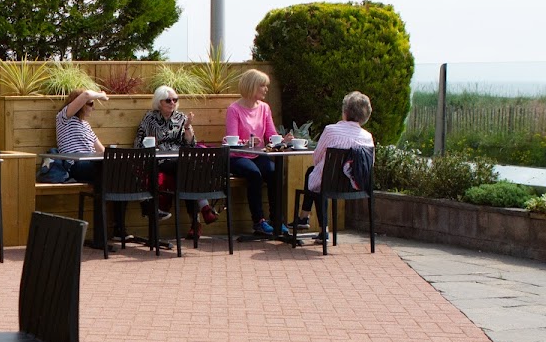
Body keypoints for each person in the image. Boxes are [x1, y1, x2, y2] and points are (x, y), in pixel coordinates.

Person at [133, 86, 218, 232]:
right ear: (159, 102)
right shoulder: (150, 118)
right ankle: (202, 209)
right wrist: (153, 143)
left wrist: (187, 127)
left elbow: (191, 144)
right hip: (159, 159)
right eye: (168, 100)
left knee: (186, 174)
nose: (172, 103)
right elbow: (139, 144)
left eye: (175, 100)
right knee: (188, 170)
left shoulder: (182, 118)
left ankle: (196, 223)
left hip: (180, 159)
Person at [295, 91, 375, 231]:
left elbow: (317, 157)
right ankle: (308, 222)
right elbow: (370, 163)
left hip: (329, 182)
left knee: (317, 177)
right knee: (318, 177)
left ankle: (306, 219)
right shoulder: (368, 137)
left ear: (345, 111)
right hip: (357, 185)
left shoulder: (331, 130)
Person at [226, 69, 290, 236]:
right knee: (254, 174)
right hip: (237, 156)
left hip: (258, 155)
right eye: (262, 85)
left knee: (274, 172)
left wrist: (284, 140)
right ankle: (259, 221)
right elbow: (231, 140)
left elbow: (271, 135)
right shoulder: (234, 109)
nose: (266, 89)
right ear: (252, 86)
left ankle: (276, 220)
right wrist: (245, 143)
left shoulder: (265, 108)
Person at [55, 88, 107, 183]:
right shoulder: (64, 118)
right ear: (81, 104)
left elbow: (102, 150)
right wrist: (101, 95)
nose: (93, 108)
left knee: (120, 168)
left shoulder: (86, 125)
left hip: (92, 164)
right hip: (75, 165)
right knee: (107, 169)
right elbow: (86, 94)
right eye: (91, 104)